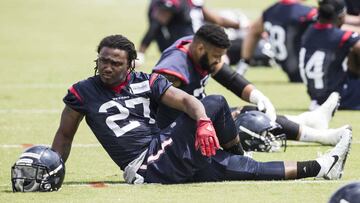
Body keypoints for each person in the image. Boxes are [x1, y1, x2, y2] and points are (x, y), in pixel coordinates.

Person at [52, 34, 352, 184]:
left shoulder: (147, 81)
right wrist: (56, 167)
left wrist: (203, 123)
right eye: (103, 60)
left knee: (246, 171)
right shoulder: (82, 91)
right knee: (217, 104)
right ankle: (238, 151)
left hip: (165, 151)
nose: (107, 67)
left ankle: (322, 168)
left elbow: (186, 101)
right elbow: (64, 136)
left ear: (130, 64)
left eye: (115, 63)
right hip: (145, 164)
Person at [152, 24, 348, 151]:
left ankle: (313, 123)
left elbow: (230, 79)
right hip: (179, 130)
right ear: (201, 49)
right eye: (217, 56)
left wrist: (257, 95)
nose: (219, 61)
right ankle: (319, 132)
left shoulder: (198, 49)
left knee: (254, 111)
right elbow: (156, 107)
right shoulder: (173, 68)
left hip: (199, 116)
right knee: (251, 120)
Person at [137, 0, 240, 66]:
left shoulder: (193, 2)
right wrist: (141, 53)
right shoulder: (173, 3)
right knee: (240, 48)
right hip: (185, 48)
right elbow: (156, 26)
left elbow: (216, 19)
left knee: (240, 44)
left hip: (200, 43)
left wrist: (242, 25)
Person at [300, 0, 360, 110]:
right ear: (341, 16)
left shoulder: (309, 31)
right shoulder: (340, 36)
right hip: (338, 96)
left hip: (317, 96)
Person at [242, 0, 317, 83]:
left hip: (291, 71)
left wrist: (245, 61)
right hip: (310, 72)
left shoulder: (270, 11)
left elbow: (253, 31)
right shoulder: (305, 12)